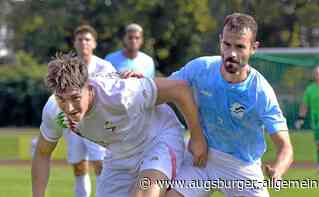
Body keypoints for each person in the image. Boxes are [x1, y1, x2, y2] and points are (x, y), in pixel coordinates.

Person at [31, 52, 207, 197]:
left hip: (158, 139)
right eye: (61, 99)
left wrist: (197, 138)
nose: (69, 108)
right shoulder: (54, 111)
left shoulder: (122, 93)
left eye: (76, 98)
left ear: (88, 86)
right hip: (118, 155)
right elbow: (42, 152)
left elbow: (180, 89)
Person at [166, 13, 293, 197]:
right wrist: (139, 81)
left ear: (253, 48)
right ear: (220, 42)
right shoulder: (201, 68)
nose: (231, 53)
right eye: (227, 44)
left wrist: (278, 170)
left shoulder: (261, 93)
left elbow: (285, 147)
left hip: (242, 167)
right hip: (202, 157)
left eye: (240, 46)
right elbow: (164, 88)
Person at [31, 25, 116, 197]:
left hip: (100, 122)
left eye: (87, 39)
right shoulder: (54, 106)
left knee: (100, 164)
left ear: (94, 44)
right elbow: (41, 153)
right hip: (72, 125)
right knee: (78, 166)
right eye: (80, 39)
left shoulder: (105, 67)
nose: (84, 43)